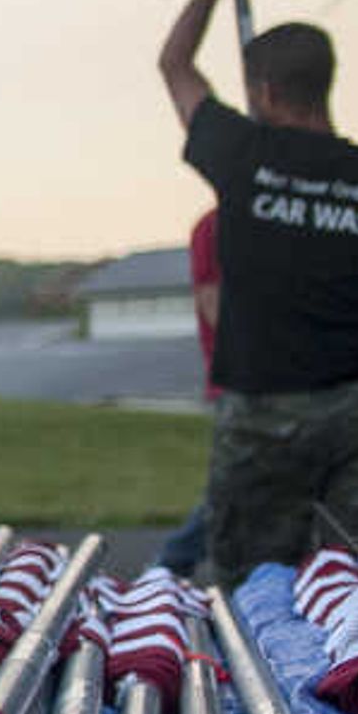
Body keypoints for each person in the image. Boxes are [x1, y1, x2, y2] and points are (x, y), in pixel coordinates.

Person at [156, 0, 358, 579]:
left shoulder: (245, 155)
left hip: (265, 406)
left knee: (256, 583)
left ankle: (258, 681)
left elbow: (174, 64)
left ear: (264, 92)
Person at [157, 208, 225, 577]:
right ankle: (167, 568)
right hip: (240, 384)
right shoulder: (213, 227)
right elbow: (215, 309)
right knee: (231, 489)